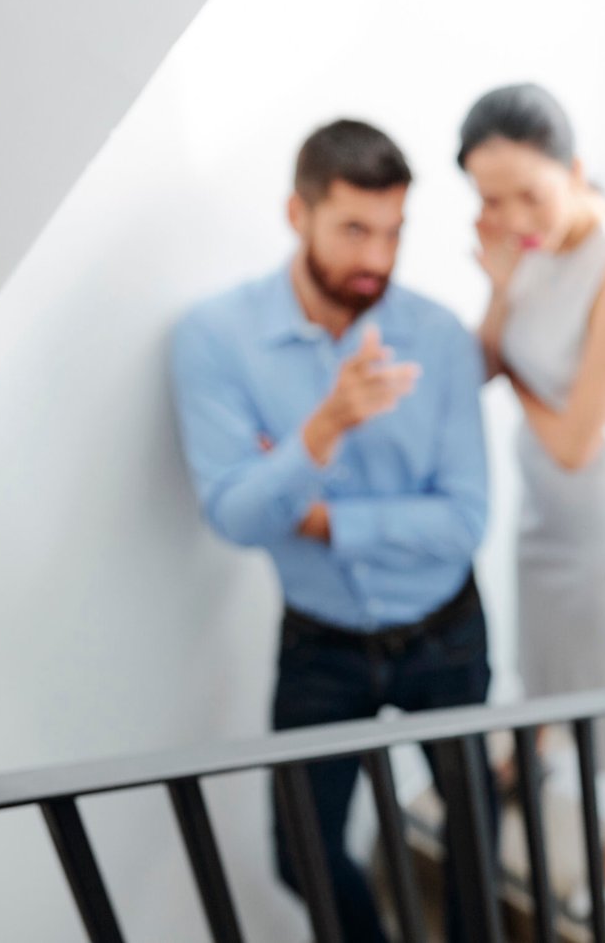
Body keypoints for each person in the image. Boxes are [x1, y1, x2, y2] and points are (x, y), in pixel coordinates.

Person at [170, 119, 494, 942]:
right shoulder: (216, 339)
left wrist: (321, 516)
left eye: (393, 232)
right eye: (355, 229)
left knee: (476, 839)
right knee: (302, 853)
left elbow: (462, 522)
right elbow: (236, 515)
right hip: (321, 643)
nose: (377, 260)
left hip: (445, 634)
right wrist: (325, 428)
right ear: (297, 212)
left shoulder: (439, 337)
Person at [461, 83, 605, 893]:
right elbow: (480, 360)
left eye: (530, 192)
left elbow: (577, 441)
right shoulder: (525, 249)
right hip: (542, 512)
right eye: (491, 199)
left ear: (576, 169)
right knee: (543, 652)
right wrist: (499, 284)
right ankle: (535, 746)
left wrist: (514, 364)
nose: (515, 214)